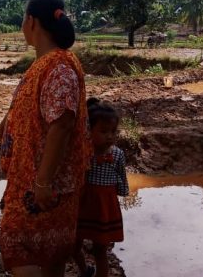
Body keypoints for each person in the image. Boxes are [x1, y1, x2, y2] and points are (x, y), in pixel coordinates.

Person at [0, 0, 91, 277]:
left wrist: (43, 181)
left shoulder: (59, 66)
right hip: (36, 181)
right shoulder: (47, 63)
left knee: (14, 248)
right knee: (52, 258)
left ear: (31, 21)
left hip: (44, 186)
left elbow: (61, 124)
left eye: (23, 19)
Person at [73, 98, 129, 277]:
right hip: (83, 205)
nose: (110, 136)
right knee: (73, 245)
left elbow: (122, 179)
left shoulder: (118, 154)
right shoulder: (83, 152)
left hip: (105, 209)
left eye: (113, 131)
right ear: (89, 131)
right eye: (104, 131)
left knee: (100, 250)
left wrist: (121, 190)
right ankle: (84, 271)